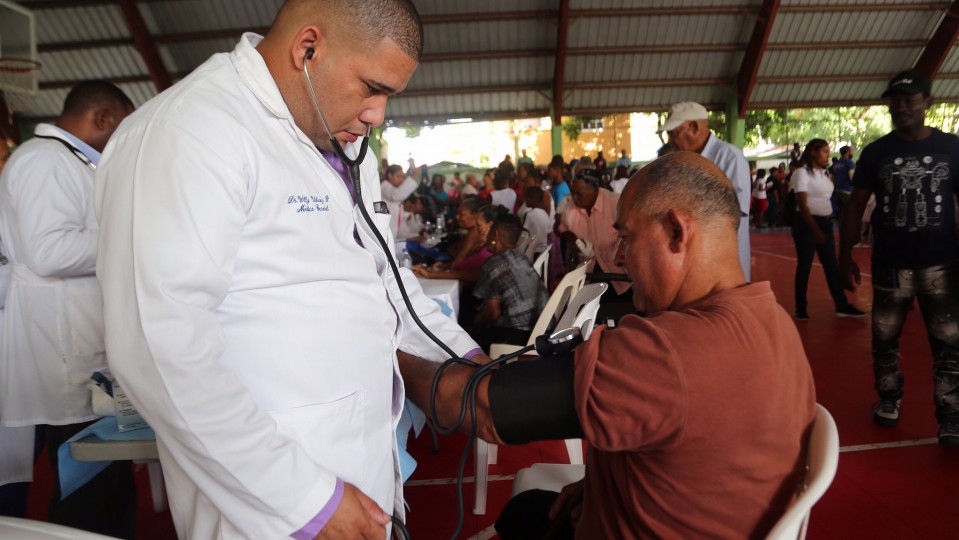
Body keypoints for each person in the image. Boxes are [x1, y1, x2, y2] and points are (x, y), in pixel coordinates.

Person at [95, 1, 489, 538]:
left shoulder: (345, 145)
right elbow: (159, 348)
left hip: (361, 470)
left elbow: (385, 278)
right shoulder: (189, 131)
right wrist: (307, 501)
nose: (377, 115)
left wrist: (464, 358)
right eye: (371, 88)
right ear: (308, 48)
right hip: (270, 499)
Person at [399, 152, 816, 538]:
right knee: (526, 509)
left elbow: (475, 407)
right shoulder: (775, 322)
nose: (620, 256)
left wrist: (388, 352)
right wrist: (603, 483)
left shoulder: (664, 353)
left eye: (628, 238)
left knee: (520, 515)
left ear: (676, 231)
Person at [0, 81, 136, 537]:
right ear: (102, 119)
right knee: (86, 478)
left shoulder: (70, 161)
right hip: (58, 340)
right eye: (122, 127)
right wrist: (132, 236)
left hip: (75, 334)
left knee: (105, 475)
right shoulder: (44, 161)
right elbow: (50, 253)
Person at [839, 69, 959, 447]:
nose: (901, 106)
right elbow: (856, 204)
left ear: (928, 102)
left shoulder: (952, 148)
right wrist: (844, 255)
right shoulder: (877, 152)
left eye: (910, 99)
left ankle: (951, 416)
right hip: (890, 263)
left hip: (942, 263)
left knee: (949, 341)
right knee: (885, 337)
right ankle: (889, 398)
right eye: (895, 100)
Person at [658, 101, 752, 281]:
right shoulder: (684, 160)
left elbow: (734, 213)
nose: (671, 141)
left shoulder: (728, 157)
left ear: (693, 127)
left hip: (725, 262)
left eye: (674, 133)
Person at [790, 139, 865, 321]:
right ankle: (801, 308)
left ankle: (841, 304)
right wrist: (815, 230)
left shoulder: (825, 174)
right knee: (805, 266)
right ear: (813, 152)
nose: (828, 155)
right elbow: (802, 204)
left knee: (832, 266)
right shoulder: (802, 174)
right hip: (806, 224)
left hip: (825, 223)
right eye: (824, 151)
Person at [468, 214, 548, 351]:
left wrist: (473, 321)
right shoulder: (521, 256)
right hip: (541, 329)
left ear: (495, 235)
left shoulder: (492, 264)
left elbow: (492, 314)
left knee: (466, 329)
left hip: (517, 337)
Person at [558, 172, 629, 294]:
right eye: (572, 192)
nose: (574, 198)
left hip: (619, 273)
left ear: (595, 189)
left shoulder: (615, 203)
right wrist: (574, 240)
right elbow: (562, 230)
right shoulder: (570, 208)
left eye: (579, 194)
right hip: (588, 276)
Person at [381, 163, 419, 236]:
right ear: (390, 175)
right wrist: (414, 175)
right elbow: (396, 196)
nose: (401, 180)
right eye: (398, 176)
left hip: (391, 230)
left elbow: (393, 208)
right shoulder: (384, 186)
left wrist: (405, 215)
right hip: (384, 230)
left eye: (402, 177)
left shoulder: (392, 188)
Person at [520, 186, 551, 257]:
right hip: (544, 250)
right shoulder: (545, 214)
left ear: (533, 199)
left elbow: (524, 233)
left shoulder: (529, 214)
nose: (525, 201)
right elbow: (549, 232)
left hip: (532, 250)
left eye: (527, 198)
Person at [832, 145, 856, 218]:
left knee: (841, 214)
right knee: (849, 215)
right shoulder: (849, 163)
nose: (852, 152)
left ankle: (841, 228)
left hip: (838, 191)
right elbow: (852, 178)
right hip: (847, 192)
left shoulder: (836, 164)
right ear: (848, 152)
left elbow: (833, 179)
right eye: (851, 151)